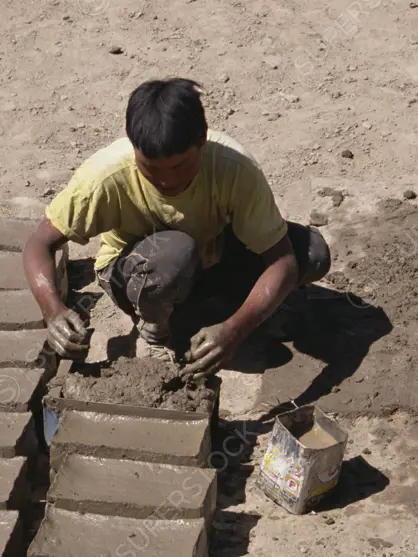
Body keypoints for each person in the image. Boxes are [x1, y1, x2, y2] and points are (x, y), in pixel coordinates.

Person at [22, 77, 330, 379]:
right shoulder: (103, 177)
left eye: (181, 166)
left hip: (210, 256)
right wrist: (53, 311)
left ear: (202, 141)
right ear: (133, 148)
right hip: (137, 271)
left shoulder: (234, 170)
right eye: (150, 169)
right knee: (174, 254)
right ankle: (156, 325)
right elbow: (39, 243)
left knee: (312, 253)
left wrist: (235, 329)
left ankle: (219, 308)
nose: (167, 180)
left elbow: (284, 260)